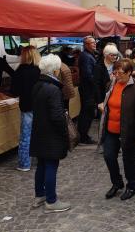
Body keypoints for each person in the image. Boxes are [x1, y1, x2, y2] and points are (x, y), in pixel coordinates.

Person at [98, 59, 135, 201]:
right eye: (115, 72)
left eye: (120, 73)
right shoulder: (112, 84)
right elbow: (108, 103)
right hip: (110, 130)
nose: (117, 75)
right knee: (108, 156)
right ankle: (117, 182)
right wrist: (103, 106)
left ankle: (131, 186)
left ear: (129, 73)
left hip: (128, 131)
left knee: (129, 160)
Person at [30, 54, 70, 213]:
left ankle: (40, 194)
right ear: (54, 70)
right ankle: (51, 200)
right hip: (51, 134)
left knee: (41, 165)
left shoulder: (38, 85)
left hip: (39, 131)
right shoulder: (52, 89)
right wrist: (64, 132)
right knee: (51, 165)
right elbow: (56, 116)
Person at [11, 46, 41, 172]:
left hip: (27, 106)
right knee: (40, 134)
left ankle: (24, 164)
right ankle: (42, 161)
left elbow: (14, 91)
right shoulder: (39, 70)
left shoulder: (20, 71)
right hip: (40, 106)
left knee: (26, 136)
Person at [78, 36, 98, 144]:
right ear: (86, 45)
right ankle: (83, 136)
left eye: (95, 42)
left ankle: (83, 135)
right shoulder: (86, 57)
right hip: (87, 90)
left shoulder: (89, 55)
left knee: (87, 113)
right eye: (92, 43)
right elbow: (88, 75)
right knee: (87, 113)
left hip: (88, 89)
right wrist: (96, 83)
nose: (95, 44)